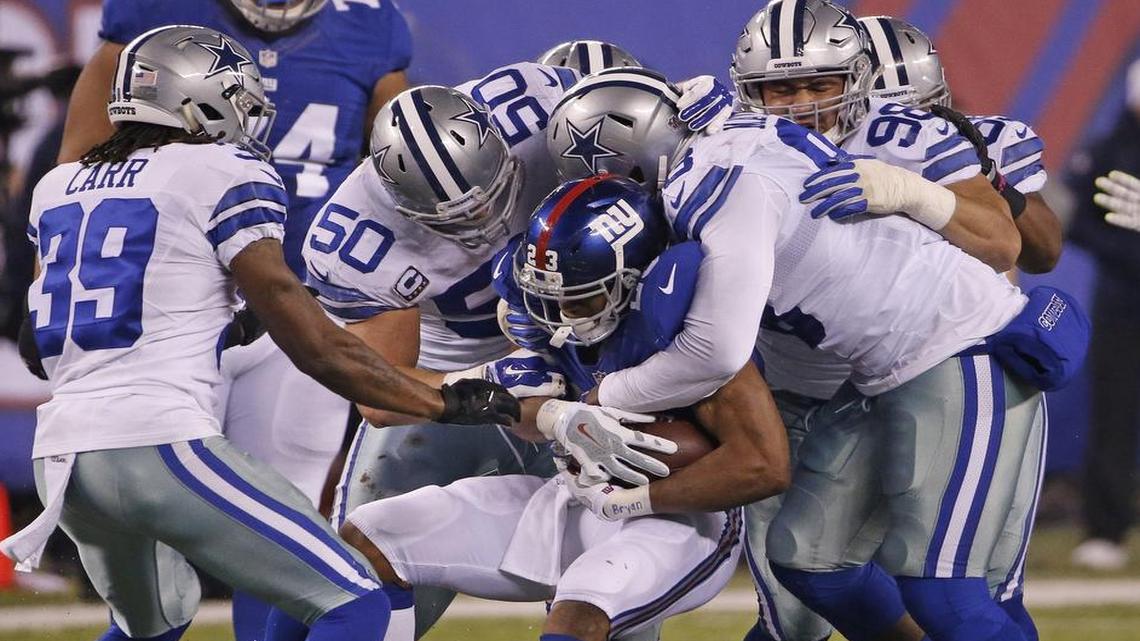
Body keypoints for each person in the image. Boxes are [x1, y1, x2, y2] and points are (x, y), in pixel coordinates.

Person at [535, 41, 1087, 641]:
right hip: (883, 372)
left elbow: (717, 351)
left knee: (942, 586)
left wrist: (599, 401)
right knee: (809, 559)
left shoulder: (708, 184)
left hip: (961, 346)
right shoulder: (724, 136)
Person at [0, 25, 517, 641]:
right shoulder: (220, 167)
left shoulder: (57, 187)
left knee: (153, 625)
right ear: (198, 101)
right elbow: (314, 345)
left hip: (63, 457)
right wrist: (442, 400)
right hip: (158, 444)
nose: (246, 120)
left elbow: (53, 329)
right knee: (354, 600)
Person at [304, 63, 732, 640]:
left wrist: (707, 132)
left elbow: (650, 147)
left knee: (609, 598)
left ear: (506, 147)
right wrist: (501, 381)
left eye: (490, 197)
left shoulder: (542, 108)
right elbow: (380, 394)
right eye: (454, 220)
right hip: (445, 369)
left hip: (587, 353)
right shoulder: (360, 238)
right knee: (356, 568)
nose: (485, 222)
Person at [57, 2, 413, 637]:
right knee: (288, 552)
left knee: (239, 550)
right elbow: (87, 159)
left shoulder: (372, 25)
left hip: (282, 305)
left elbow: (399, 164)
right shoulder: (223, 156)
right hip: (192, 312)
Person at [338, 174, 791, 641]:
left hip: (679, 523)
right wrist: (551, 416)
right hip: (572, 498)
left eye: (579, 297)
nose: (559, 314)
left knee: (577, 618)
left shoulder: (694, 338)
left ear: (636, 280)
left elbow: (763, 467)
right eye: (548, 297)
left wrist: (634, 500)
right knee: (369, 539)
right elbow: (534, 421)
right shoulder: (553, 320)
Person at [1066, 59, 1140, 571]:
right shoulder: (1111, 149)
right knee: (1113, 415)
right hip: (1124, 300)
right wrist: (1127, 247)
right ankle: (1106, 529)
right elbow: (1075, 225)